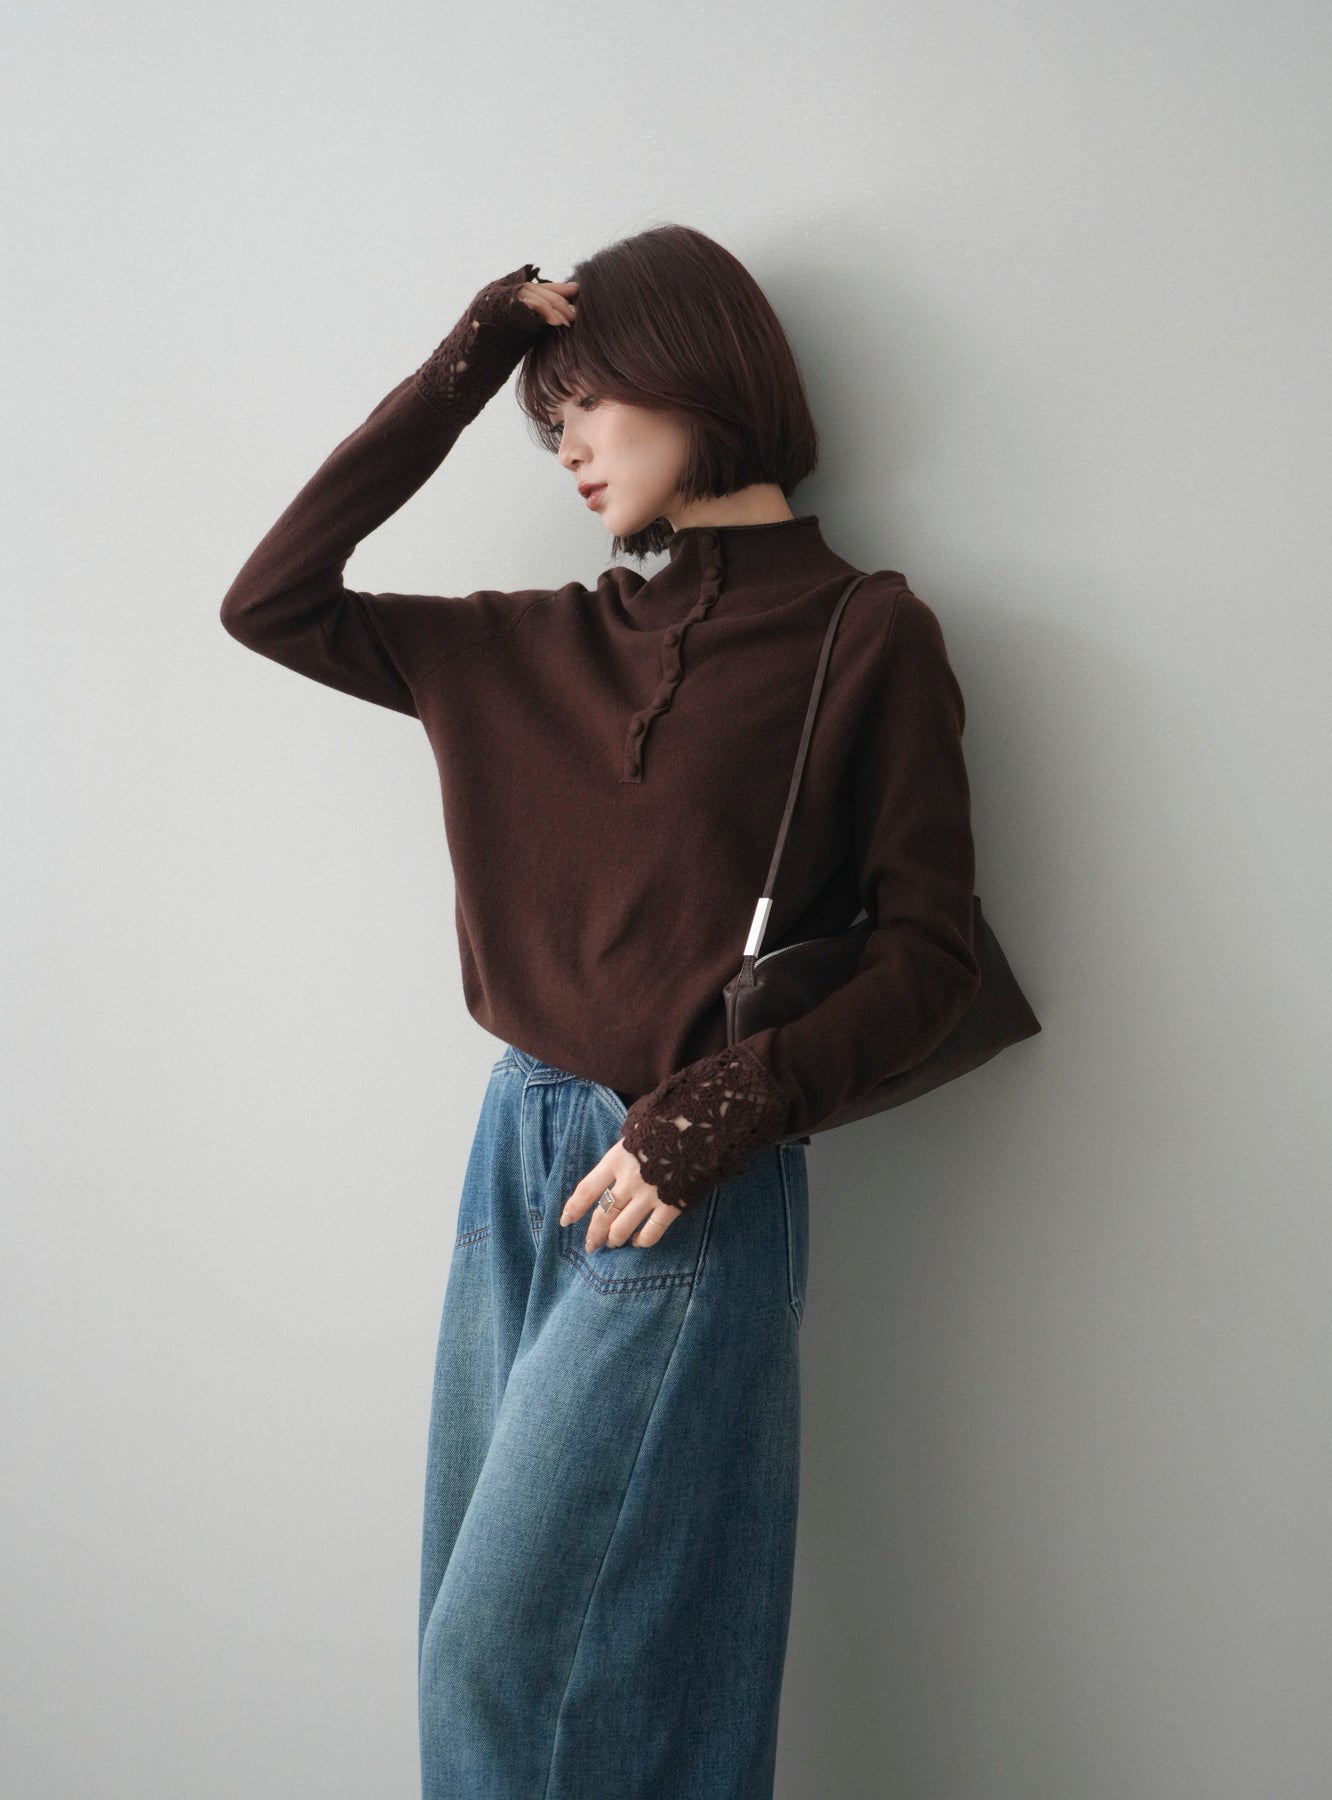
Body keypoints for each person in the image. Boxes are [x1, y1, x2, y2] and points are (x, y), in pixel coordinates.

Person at [219, 223, 980, 1799]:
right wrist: (465, 363)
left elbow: (932, 954)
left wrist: (719, 1112)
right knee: (617, 1647)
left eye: (583, 404)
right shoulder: (525, 645)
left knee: (499, 1655)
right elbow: (271, 601)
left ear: (694, 373)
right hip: (515, 1151)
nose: (563, 446)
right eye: (542, 419)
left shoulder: (862, 633)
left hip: (689, 1169)